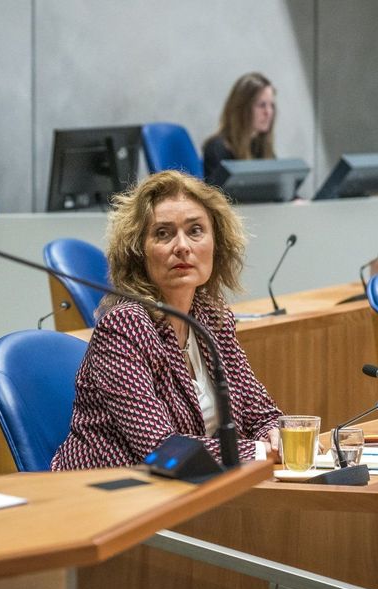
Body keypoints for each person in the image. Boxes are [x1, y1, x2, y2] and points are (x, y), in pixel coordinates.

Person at [51, 170, 282, 470]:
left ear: (216, 243)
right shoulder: (123, 327)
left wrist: (277, 435)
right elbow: (162, 447)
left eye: (195, 230)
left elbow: (260, 412)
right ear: (139, 252)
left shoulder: (212, 319)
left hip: (184, 490)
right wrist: (261, 452)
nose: (182, 246)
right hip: (108, 494)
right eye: (163, 233)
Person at [201, 72, 276, 187]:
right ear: (242, 108)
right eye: (262, 105)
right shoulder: (217, 148)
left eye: (271, 105)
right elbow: (216, 200)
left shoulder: (261, 147)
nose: (268, 112)